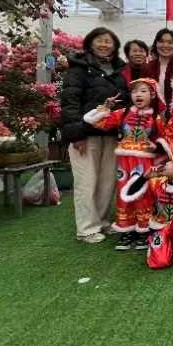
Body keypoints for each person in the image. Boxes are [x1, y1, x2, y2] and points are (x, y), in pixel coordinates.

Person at [60, 27, 129, 244]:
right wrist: (76, 135)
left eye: (108, 41)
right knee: (87, 181)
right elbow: (70, 103)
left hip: (111, 135)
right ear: (90, 43)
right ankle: (87, 228)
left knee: (107, 182)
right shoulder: (78, 69)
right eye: (100, 40)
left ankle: (102, 221)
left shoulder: (120, 70)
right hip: (86, 135)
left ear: (115, 45)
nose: (104, 45)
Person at [83, 78, 166, 251]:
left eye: (143, 91)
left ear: (152, 95)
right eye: (135, 91)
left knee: (143, 193)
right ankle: (127, 230)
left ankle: (144, 229)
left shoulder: (156, 118)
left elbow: (165, 140)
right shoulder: (122, 113)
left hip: (145, 161)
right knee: (123, 193)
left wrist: (156, 147)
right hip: (124, 162)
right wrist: (105, 108)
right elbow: (95, 122)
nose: (138, 94)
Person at [141, 28, 173, 115]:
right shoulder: (146, 68)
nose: (165, 45)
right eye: (161, 41)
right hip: (150, 115)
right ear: (156, 44)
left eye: (170, 42)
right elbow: (140, 92)